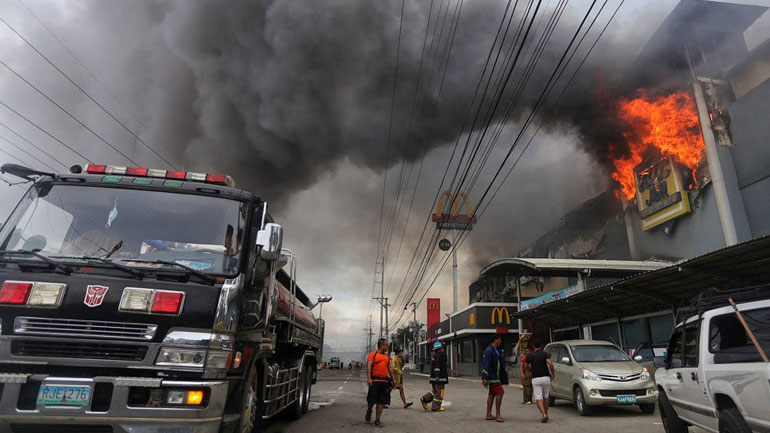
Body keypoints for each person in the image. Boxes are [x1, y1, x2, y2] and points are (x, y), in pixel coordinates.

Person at [525, 339, 554, 423]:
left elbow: (526, 366)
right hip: (546, 378)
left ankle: (543, 414)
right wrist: (552, 374)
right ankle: (546, 413)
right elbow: (550, 364)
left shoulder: (530, 355)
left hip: (536, 378)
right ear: (541, 346)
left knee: (538, 398)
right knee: (546, 396)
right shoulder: (545, 354)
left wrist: (529, 370)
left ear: (533, 346)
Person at [366, 339, 393, 427]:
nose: (387, 347)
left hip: (384, 382)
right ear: (382, 345)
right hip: (374, 381)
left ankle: (377, 420)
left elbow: (390, 368)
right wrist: (369, 378)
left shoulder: (387, 357)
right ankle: (369, 410)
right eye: (386, 345)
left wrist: (393, 379)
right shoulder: (373, 355)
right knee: (371, 400)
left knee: (381, 401)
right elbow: (369, 367)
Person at [481, 335, 505, 422]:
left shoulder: (494, 350)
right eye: (499, 339)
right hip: (492, 376)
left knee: (492, 394)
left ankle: (488, 414)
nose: (500, 341)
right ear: (496, 340)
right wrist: (485, 377)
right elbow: (486, 364)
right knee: (500, 392)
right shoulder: (489, 350)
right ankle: (498, 414)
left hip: (496, 375)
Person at [420, 341, 448, 412]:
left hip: (435, 378)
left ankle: (425, 399)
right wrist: (437, 376)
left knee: (435, 391)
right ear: (439, 348)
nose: (443, 349)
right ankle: (436, 407)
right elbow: (437, 367)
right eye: (442, 348)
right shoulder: (439, 356)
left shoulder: (435, 355)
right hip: (439, 378)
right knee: (439, 392)